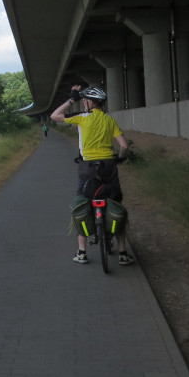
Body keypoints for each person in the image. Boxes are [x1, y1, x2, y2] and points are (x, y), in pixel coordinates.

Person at [50, 84, 133, 266]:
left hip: (87, 168)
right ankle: (123, 253)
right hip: (109, 167)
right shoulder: (110, 121)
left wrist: (72, 99)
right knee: (115, 204)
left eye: (85, 100)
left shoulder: (82, 118)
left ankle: (82, 252)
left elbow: (54, 116)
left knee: (83, 203)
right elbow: (124, 146)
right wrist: (119, 159)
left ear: (88, 102)